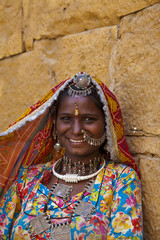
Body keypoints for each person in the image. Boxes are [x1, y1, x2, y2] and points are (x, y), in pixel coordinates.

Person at [0, 72, 143, 239]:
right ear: (55, 124)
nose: (76, 130)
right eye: (66, 118)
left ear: (107, 124)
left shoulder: (120, 181)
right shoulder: (27, 180)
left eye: (89, 119)